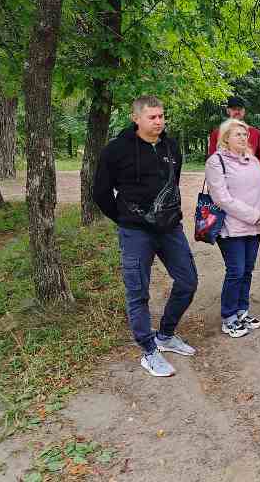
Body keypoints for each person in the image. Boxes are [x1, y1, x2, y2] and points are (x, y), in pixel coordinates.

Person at [93, 95, 198, 377]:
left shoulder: (171, 147)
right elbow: (100, 193)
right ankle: (148, 351)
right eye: (152, 117)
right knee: (137, 291)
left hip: (170, 229)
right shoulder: (116, 151)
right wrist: (126, 218)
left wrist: (166, 215)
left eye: (162, 116)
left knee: (188, 281)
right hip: (135, 232)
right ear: (136, 118)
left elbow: (172, 183)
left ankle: (165, 334)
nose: (159, 121)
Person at [206, 119, 260, 338]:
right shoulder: (216, 162)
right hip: (231, 227)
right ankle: (229, 317)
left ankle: (242, 311)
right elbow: (222, 199)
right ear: (225, 138)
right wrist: (255, 216)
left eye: (245, 135)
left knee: (247, 269)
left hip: (255, 226)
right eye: (238, 135)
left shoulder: (252, 160)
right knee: (235, 271)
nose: (244, 138)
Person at [207, 96, 260, 168]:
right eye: (234, 109)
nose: (237, 112)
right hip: (226, 175)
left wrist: (253, 169)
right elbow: (212, 156)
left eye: (239, 109)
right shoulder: (217, 133)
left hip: (249, 175)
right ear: (228, 111)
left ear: (244, 111)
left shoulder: (255, 133)